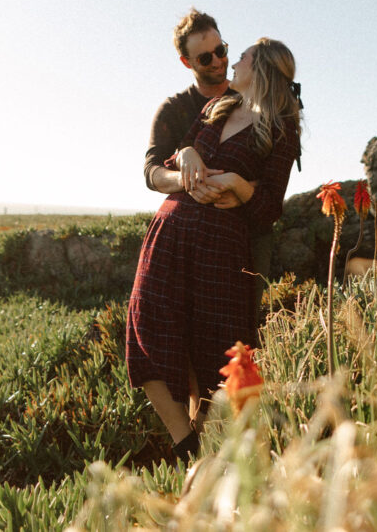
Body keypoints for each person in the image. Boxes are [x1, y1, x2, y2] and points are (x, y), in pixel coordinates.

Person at [127, 37, 302, 460]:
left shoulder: (281, 128)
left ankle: (204, 459)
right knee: (145, 328)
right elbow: (166, 166)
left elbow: (268, 208)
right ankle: (186, 446)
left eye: (238, 57)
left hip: (221, 248)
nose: (230, 63)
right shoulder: (215, 108)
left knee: (212, 353)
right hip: (169, 233)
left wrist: (241, 186)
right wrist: (186, 152)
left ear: (259, 69)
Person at [144, 8, 275, 345]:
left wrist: (242, 186)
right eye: (205, 58)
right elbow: (152, 171)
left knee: (237, 341)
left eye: (222, 50)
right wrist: (189, 178)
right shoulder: (174, 109)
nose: (218, 61)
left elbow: (273, 176)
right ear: (187, 63)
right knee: (176, 337)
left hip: (240, 237)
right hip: (185, 238)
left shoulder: (253, 99)